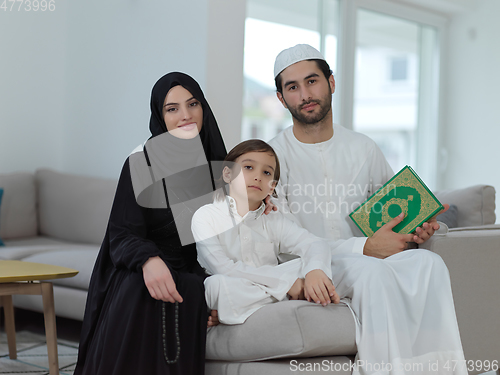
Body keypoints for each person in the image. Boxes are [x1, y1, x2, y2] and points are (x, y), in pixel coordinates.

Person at [269, 44, 466, 374]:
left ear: (331, 82)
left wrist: (414, 230)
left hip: (365, 257)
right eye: (292, 87)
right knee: (373, 272)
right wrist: (367, 247)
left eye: (312, 81)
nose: (305, 94)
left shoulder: (363, 147)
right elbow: (284, 241)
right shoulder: (271, 157)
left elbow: (391, 211)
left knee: (429, 263)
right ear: (281, 98)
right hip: (310, 265)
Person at [74, 72, 227, 375]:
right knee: (141, 287)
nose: (185, 115)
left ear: (203, 108)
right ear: (160, 116)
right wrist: (148, 260)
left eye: (192, 104)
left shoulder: (220, 167)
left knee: (192, 288)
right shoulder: (141, 163)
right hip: (142, 269)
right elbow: (122, 232)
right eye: (172, 109)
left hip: (194, 274)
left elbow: (230, 236)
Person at [191, 139, 340, 325]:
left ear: (272, 186)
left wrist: (314, 271)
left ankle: (240, 307)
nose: (258, 176)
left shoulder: (273, 219)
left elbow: (314, 243)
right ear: (228, 174)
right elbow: (223, 268)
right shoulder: (205, 216)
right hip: (232, 284)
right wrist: (287, 284)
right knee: (216, 286)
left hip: (249, 292)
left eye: (266, 172)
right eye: (248, 167)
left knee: (316, 263)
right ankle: (289, 295)